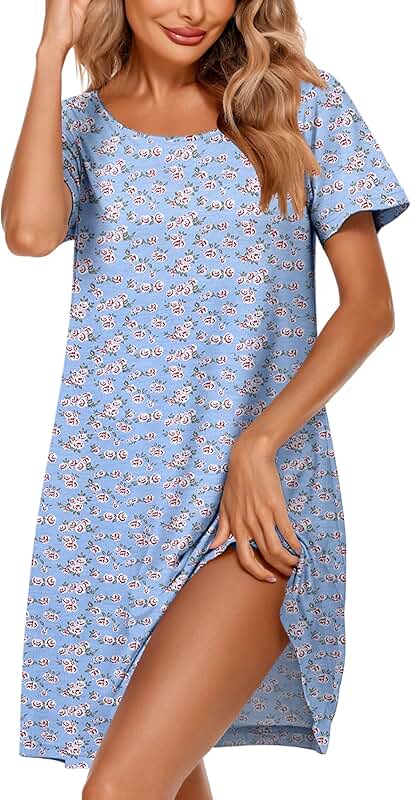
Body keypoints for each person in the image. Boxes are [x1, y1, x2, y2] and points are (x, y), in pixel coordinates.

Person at [2, 0, 409, 798]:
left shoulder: (299, 105)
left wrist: (258, 442)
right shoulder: (81, 128)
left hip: (254, 504)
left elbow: (369, 308)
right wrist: (50, 55)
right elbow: (29, 234)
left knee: (118, 789)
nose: (193, 10)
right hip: (114, 513)